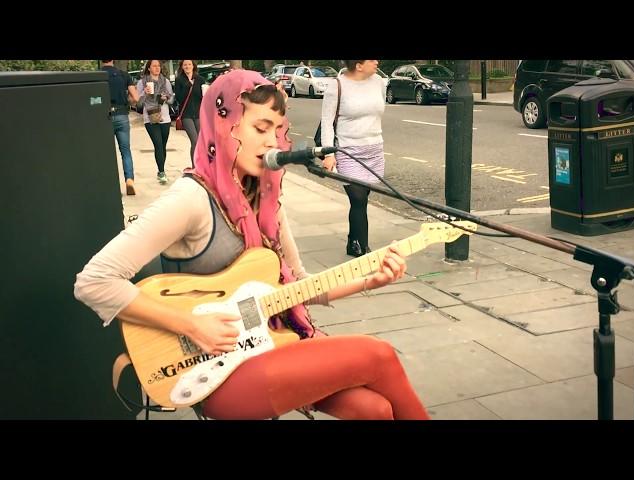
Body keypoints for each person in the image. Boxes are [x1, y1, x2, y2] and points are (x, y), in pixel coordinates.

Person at [74, 69, 429, 420]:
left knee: (375, 410)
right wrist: (192, 325)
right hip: (216, 373)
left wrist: (370, 280)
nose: (273, 141)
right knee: (378, 355)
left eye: (277, 130)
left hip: (271, 343)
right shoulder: (192, 197)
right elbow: (94, 281)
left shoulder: (267, 198)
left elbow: (300, 285)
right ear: (224, 125)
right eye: (260, 128)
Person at [320, 60, 386, 257]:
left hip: (374, 149)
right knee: (357, 199)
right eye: (372, 60)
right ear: (358, 65)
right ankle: (362, 249)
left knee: (362, 197)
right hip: (348, 150)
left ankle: (352, 242)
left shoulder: (379, 82)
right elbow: (327, 122)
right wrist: (329, 153)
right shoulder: (337, 86)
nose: (377, 62)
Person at [101, 60, 139, 195]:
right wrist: (125, 99)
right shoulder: (124, 75)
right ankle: (129, 180)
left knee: (106, 153)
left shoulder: (97, 75)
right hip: (122, 115)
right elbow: (135, 97)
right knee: (125, 151)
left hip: (103, 118)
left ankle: (109, 185)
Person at [136, 60, 175, 185]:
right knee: (158, 145)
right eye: (154, 66)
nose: (157, 68)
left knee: (163, 146)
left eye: (158, 66)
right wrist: (144, 93)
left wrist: (166, 98)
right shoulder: (142, 82)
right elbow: (138, 102)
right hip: (150, 118)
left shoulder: (166, 81)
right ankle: (162, 172)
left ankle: (160, 171)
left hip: (165, 117)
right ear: (149, 68)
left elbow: (172, 100)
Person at [174, 60, 206, 167]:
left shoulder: (200, 79)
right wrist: (188, 85)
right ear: (182, 67)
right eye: (185, 65)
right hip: (186, 115)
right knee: (195, 140)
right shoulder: (179, 80)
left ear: (193, 66)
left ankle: (202, 164)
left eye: (189, 64)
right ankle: (195, 166)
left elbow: (203, 98)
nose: (187, 66)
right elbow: (179, 98)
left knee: (201, 142)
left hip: (198, 114)